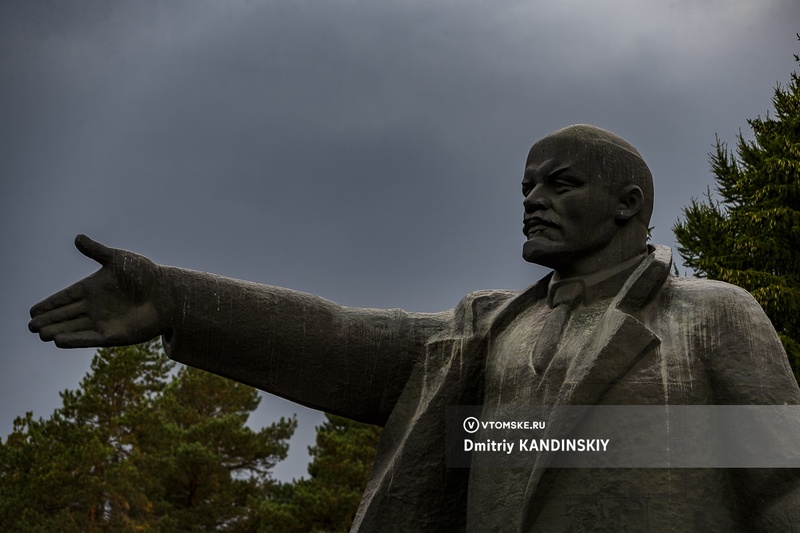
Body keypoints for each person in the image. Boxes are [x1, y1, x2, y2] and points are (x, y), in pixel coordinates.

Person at [30, 125, 800, 531]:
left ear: (629, 203)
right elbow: (338, 339)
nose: (531, 198)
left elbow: (781, 488)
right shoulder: (491, 326)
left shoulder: (713, 315)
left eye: (558, 184)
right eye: (525, 185)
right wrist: (177, 300)